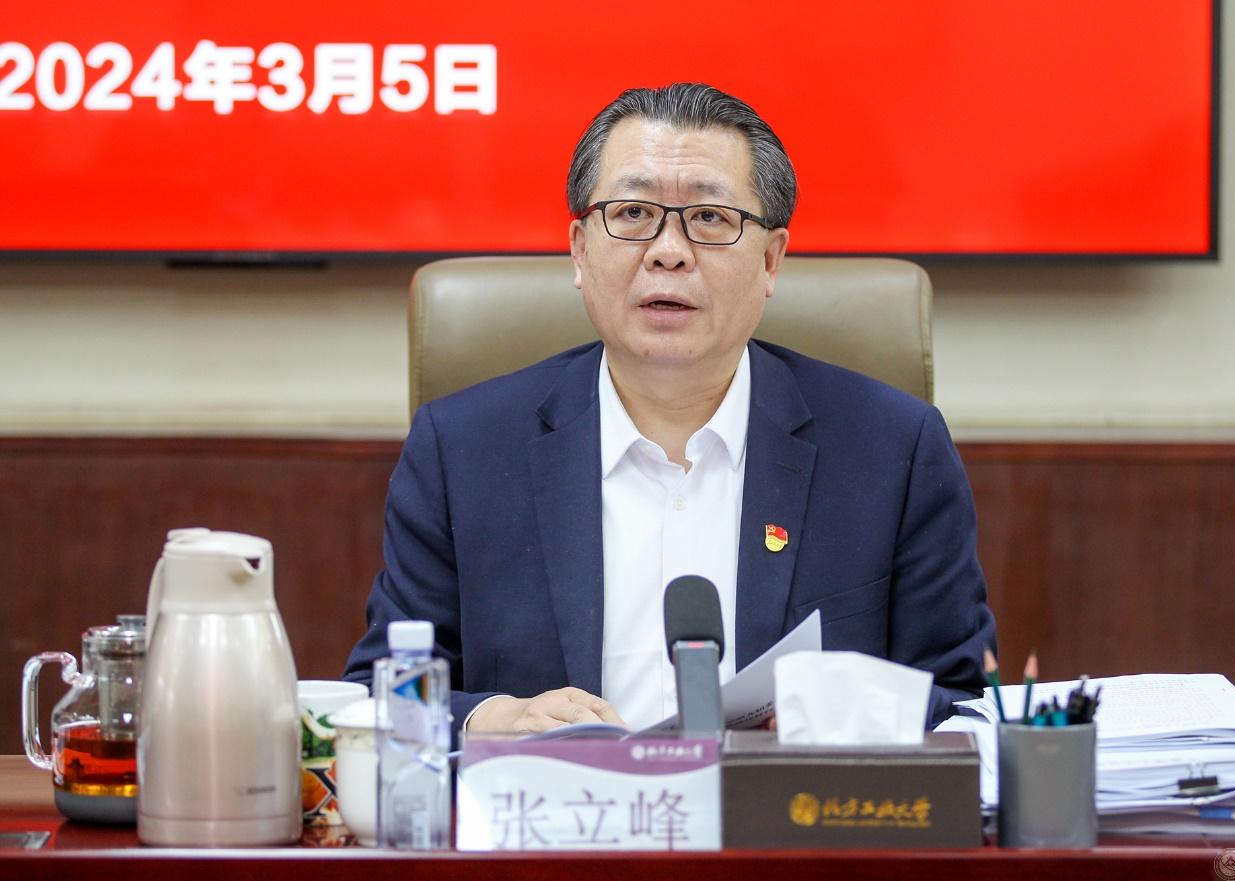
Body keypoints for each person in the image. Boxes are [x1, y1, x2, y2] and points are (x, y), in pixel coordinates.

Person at [344, 83, 995, 738]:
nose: (668, 250)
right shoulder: (462, 450)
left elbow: (962, 702)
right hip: (556, 801)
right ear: (579, 249)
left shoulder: (893, 449)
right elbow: (378, 691)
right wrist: (490, 717)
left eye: (710, 218)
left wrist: (838, 714)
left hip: (790, 804)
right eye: (632, 213)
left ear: (770, 261)